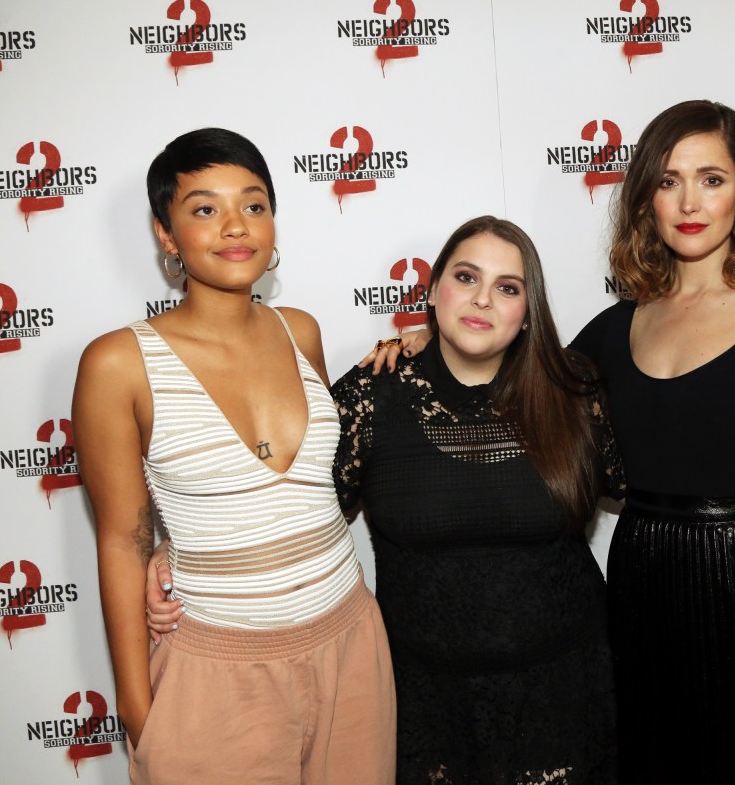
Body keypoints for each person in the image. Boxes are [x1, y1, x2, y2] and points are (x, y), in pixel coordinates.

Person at [365, 100, 735, 783]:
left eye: (711, 179)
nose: (689, 201)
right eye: (668, 180)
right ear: (645, 198)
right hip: (640, 581)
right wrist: (429, 340)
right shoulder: (614, 328)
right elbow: (516, 376)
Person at [150, 216, 624, 783]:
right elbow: (288, 502)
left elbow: (642, 485)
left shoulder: (573, 390)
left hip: (565, 685)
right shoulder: (374, 394)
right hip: (423, 697)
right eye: (466, 276)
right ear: (431, 291)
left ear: (528, 312)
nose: (482, 300)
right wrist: (170, 549)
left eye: (508, 287)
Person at [73, 128, 395, 785]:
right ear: (166, 235)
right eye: (203, 209)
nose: (234, 226)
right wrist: (140, 715)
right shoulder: (117, 363)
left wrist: (427, 342)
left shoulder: (300, 330)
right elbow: (119, 542)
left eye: (253, 204)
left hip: (352, 648)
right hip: (216, 677)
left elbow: (306, 487)